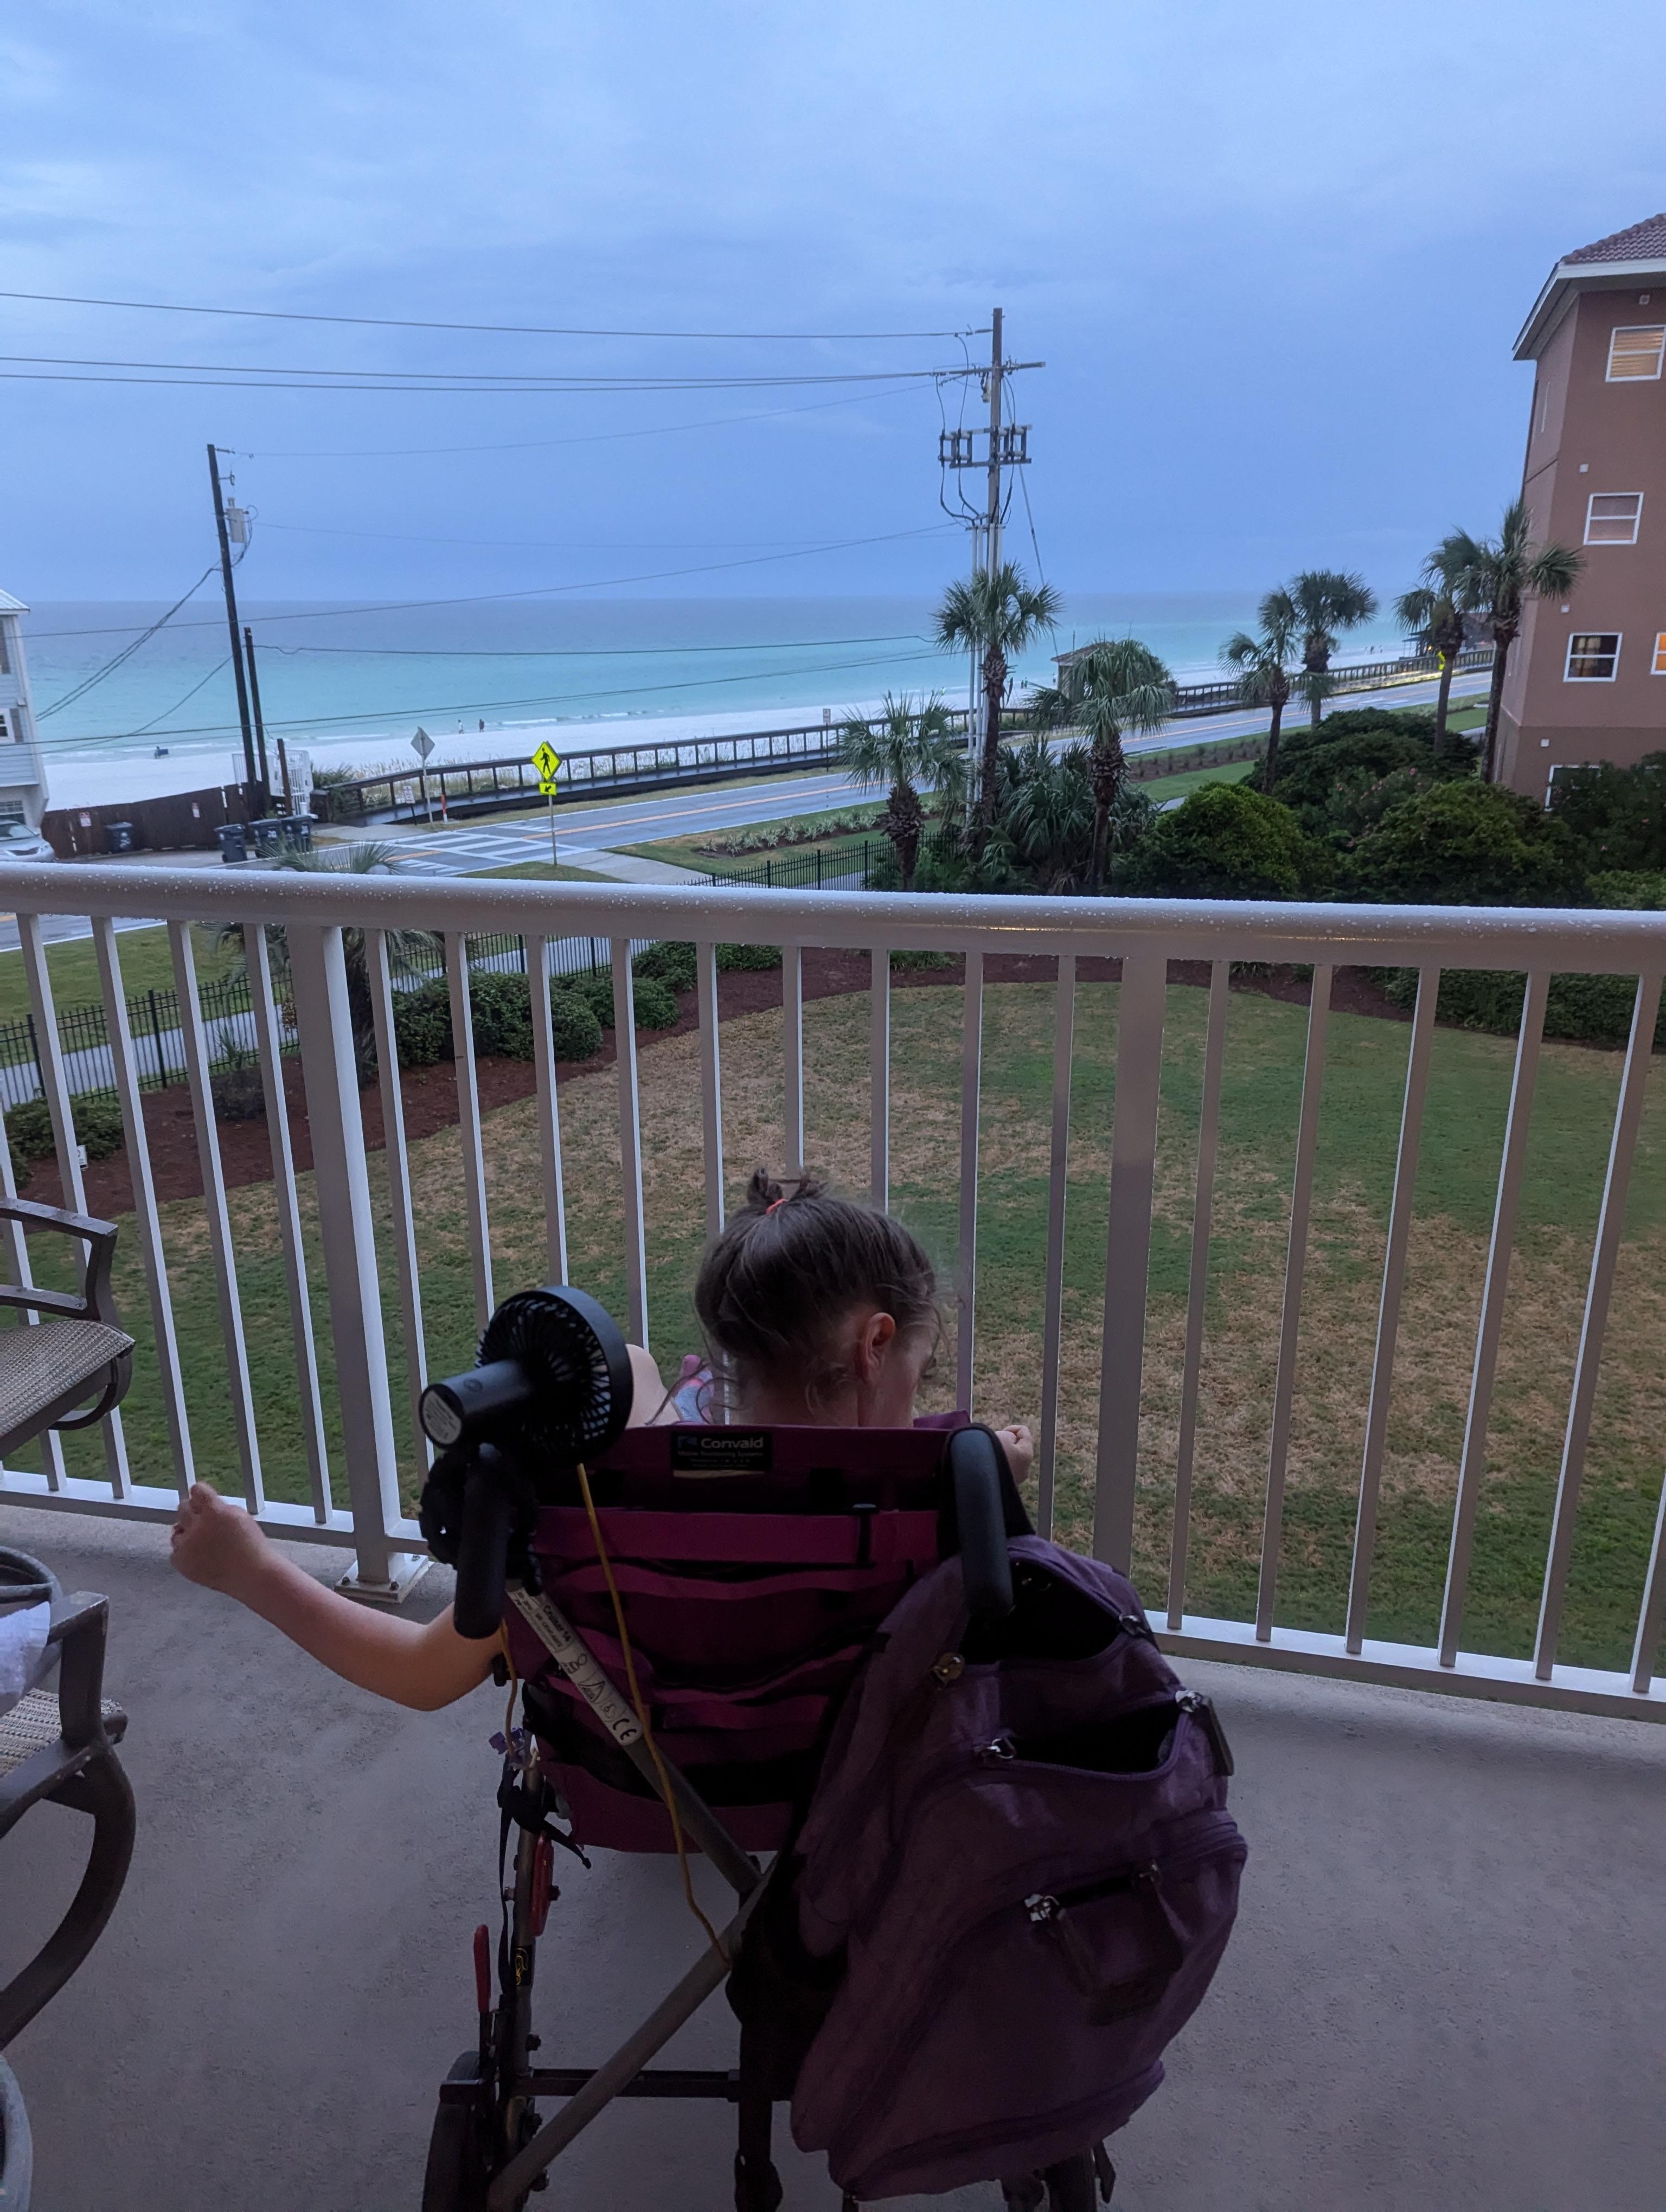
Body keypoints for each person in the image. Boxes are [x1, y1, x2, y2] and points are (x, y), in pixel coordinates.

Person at [170, 1170, 1033, 1711]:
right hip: (840, 1773)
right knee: (638, 1372)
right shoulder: (941, 1495)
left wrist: (251, 1569)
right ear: (876, 1344)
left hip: (648, 1771)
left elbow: (420, 1677)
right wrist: (992, 1474)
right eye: (921, 1367)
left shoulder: (582, 1508)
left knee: (631, 1367)